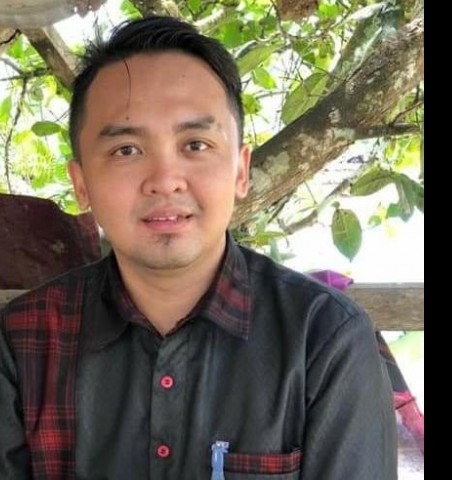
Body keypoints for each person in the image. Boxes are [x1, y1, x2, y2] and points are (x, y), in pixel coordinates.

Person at [0, 16, 397, 479]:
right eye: (126, 150)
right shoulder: (20, 342)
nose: (165, 180)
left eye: (196, 144)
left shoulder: (324, 339)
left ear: (240, 171)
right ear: (81, 183)